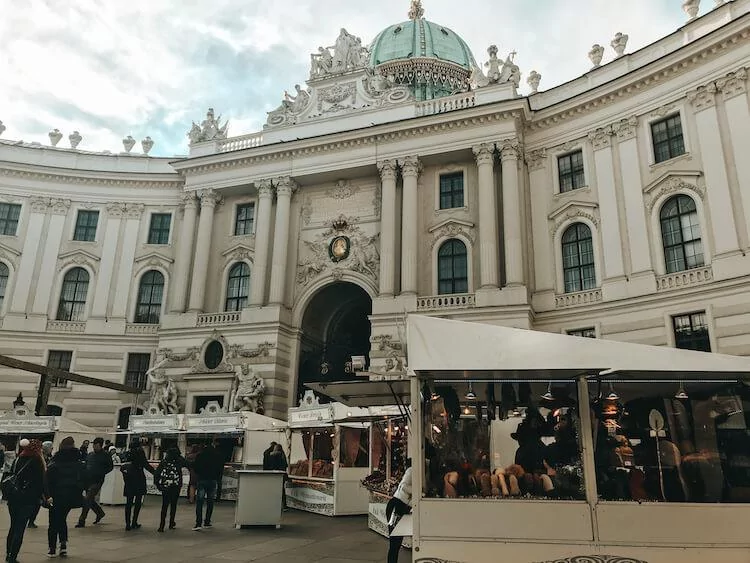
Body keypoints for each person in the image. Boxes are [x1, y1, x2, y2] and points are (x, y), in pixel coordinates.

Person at [4, 439, 45, 563]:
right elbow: (41, 481)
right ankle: (13, 557)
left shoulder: (18, 459)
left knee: (13, 526)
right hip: (28, 499)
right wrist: (44, 497)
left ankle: (8, 554)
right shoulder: (37, 461)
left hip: (14, 497)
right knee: (19, 528)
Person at [46, 436, 85, 558]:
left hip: (56, 496)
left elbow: (48, 480)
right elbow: (85, 478)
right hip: (71, 496)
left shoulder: (55, 462)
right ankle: (63, 545)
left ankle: (52, 548)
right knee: (62, 519)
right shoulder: (78, 462)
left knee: (53, 522)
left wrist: (48, 495)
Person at [75, 437, 113, 528]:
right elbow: (86, 465)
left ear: (100, 445)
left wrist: (101, 472)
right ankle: (100, 513)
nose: (94, 447)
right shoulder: (90, 455)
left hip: (97, 480)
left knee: (87, 499)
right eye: (93, 445)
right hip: (87, 480)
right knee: (90, 499)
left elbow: (110, 467)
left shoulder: (106, 455)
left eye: (96, 445)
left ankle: (81, 520)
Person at [121, 442, 154, 531]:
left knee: (129, 502)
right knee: (138, 502)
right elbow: (146, 465)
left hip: (129, 479)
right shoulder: (140, 453)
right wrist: (155, 473)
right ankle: (134, 521)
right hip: (139, 478)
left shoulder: (127, 454)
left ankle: (127, 523)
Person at [192, 439, 224, 530]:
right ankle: (207, 521)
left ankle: (198, 523)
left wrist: (200, 474)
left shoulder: (200, 455)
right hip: (213, 480)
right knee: (210, 502)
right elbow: (220, 468)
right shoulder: (217, 455)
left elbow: (196, 467)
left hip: (202, 479)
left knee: (199, 502)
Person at [385, 459, 413, 563]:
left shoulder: (426, 474)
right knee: (395, 542)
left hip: (405, 508)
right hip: (397, 506)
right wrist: (418, 491)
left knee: (398, 540)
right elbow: (403, 486)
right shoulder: (411, 471)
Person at [154, 447, 186, 532]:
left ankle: (161, 525)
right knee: (173, 505)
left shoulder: (164, 461)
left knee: (164, 506)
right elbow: (188, 463)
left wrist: (158, 484)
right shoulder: (179, 461)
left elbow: (157, 473)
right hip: (175, 487)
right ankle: (171, 522)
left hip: (165, 486)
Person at [27, 441, 54, 528]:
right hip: (38, 484)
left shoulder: (47, 458)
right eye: (51, 448)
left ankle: (31, 520)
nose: (52, 449)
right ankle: (31, 520)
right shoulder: (39, 458)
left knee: (37, 503)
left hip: (41, 484)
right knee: (36, 503)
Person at [268, 443, 289, 509]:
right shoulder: (282, 455)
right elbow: (286, 465)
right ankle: (284, 505)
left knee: (274, 490)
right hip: (282, 475)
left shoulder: (272, 455)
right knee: (282, 490)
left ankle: (275, 504)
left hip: (274, 475)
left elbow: (271, 465)